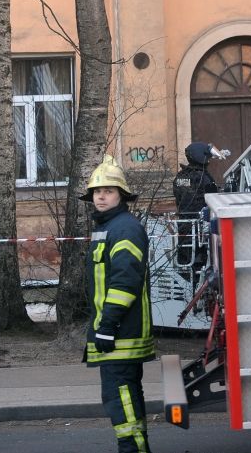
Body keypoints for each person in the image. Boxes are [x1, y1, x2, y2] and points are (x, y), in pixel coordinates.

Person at [80, 154, 155, 453]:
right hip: (118, 335)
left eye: (108, 191)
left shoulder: (124, 228)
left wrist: (108, 326)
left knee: (121, 403)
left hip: (120, 336)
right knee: (127, 401)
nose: (100, 196)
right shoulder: (110, 226)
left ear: (121, 195)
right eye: (97, 191)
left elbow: (124, 284)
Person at [172, 142, 221, 218]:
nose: (208, 161)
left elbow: (179, 195)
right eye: (207, 158)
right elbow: (213, 198)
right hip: (201, 221)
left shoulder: (181, 176)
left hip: (184, 221)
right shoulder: (203, 177)